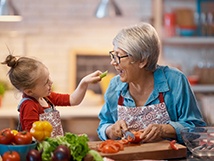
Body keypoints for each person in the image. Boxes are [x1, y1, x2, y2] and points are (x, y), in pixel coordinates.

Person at [97, 22, 206, 144]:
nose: (113, 62)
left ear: (142, 61)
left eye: (119, 57)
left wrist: (166, 130)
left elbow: (196, 129)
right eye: (113, 55)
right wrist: (110, 130)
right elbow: (103, 125)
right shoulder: (115, 86)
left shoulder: (175, 80)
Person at [2, 54, 103, 131]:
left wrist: (84, 82)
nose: (51, 82)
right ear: (29, 91)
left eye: (49, 77)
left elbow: (73, 100)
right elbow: (32, 136)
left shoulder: (46, 97)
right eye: (46, 82)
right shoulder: (29, 105)